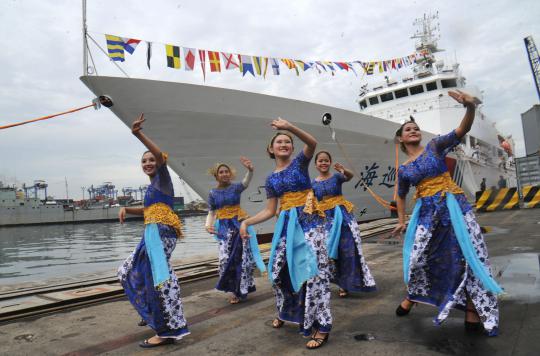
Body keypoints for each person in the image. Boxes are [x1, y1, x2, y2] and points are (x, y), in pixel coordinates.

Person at [392, 90, 501, 336]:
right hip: (427, 216)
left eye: (415, 127)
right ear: (400, 139)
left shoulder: (434, 146)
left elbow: (461, 131)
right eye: (408, 129)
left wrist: (470, 108)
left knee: (469, 254)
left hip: (454, 208)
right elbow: (400, 195)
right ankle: (414, 296)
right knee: (421, 257)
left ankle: (473, 308)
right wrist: (401, 221)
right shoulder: (404, 169)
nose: (413, 130)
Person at [239, 118, 332, 349]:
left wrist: (289, 127)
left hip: (310, 223)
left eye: (287, 142)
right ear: (271, 149)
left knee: (314, 273)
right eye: (279, 141)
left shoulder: (299, 164)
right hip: (287, 227)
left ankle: (322, 326)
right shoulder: (270, 179)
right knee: (280, 272)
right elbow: (270, 210)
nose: (284, 144)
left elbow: (312, 142)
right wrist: (246, 222)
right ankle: (288, 311)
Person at [117, 114, 189, 348]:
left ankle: (165, 329)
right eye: (144, 161)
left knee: (157, 278)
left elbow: (159, 155)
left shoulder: (163, 177)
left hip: (160, 234)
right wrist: (127, 208)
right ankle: (153, 311)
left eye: (151, 160)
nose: (148, 163)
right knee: (128, 270)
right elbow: (148, 210)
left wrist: (138, 134)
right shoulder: (152, 188)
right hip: (152, 232)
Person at [311, 151, 376, 298]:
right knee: (330, 252)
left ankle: (348, 283)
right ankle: (340, 282)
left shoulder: (336, 177)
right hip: (325, 219)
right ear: (315, 164)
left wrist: (344, 170)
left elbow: (350, 176)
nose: (323, 163)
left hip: (342, 216)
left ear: (330, 162)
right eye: (320, 161)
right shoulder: (312, 183)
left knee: (347, 249)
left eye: (326, 160)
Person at [205, 158, 265, 304]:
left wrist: (250, 170)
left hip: (238, 225)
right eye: (221, 172)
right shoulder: (212, 193)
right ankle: (232, 290)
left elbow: (246, 182)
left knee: (242, 258)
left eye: (227, 172)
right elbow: (212, 212)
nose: (224, 174)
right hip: (223, 228)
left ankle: (242, 289)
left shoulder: (236, 187)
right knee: (225, 258)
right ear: (216, 175)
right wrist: (207, 225)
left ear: (230, 174)